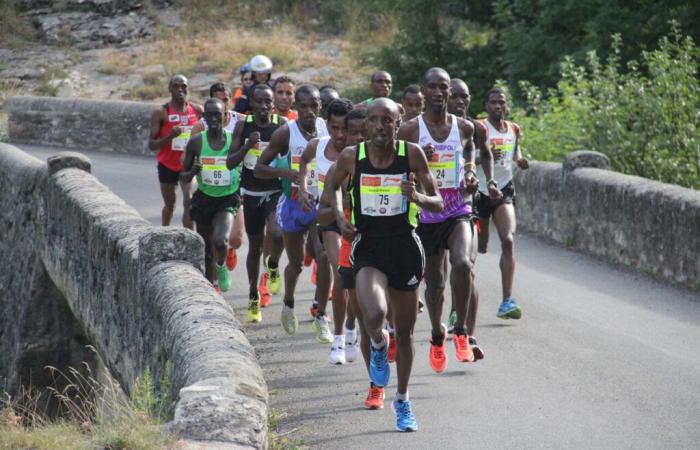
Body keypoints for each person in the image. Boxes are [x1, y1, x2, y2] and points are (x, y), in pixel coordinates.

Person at [329, 98, 443, 432]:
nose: (380, 126)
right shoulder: (353, 156)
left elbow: (436, 202)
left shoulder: (412, 154)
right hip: (369, 247)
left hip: (405, 247)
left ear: (398, 122)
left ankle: (403, 400)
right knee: (373, 314)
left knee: (405, 333)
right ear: (365, 125)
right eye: (374, 120)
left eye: (387, 120)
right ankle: (378, 345)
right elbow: (333, 187)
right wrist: (339, 214)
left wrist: (418, 197)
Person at [398, 68, 496, 373]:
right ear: (424, 93)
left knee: (463, 263)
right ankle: (438, 335)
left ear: (449, 93)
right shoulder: (410, 130)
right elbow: (395, 166)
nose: (439, 93)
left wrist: (469, 174)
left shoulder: (464, 127)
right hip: (426, 212)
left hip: (457, 207)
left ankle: (462, 331)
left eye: (444, 88)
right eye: (433, 88)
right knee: (436, 284)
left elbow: (469, 155)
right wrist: (416, 158)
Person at [254, 85, 332, 342]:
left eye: (314, 105)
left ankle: (321, 315)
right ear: (296, 108)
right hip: (294, 205)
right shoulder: (285, 133)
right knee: (296, 264)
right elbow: (259, 168)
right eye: (304, 106)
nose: (309, 111)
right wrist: (285, 173)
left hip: (319, 204)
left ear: (320, 106)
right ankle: (288, 303)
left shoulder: (327, 128)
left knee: (323, 255)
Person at [298, 98, 354, 363]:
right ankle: (338, 338)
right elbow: (305, 162)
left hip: (358, 219)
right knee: (339, 270)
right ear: (326, 124)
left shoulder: (359, 151)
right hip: (328, 218)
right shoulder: (317, 146)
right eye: (334, 128)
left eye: (344, 128)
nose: (340, 135)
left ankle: (354, 328)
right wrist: (304, 189)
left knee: (356, 275)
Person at [228, 84, 286, 322]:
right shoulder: (243, 125)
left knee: (278, 233)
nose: (264, 106)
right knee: (255, 246)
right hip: (251, 192)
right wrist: (246, 146)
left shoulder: (281, 125)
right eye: (259, 101)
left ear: (273, 104)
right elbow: (230, 163)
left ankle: (273, 266)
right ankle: (253, 296)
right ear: (251, 104)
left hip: (274, 190)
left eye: (268, 101)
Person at [475, 88, 529, 319]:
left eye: (502, 103)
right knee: (480, 247)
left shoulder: (514, 128)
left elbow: (515, 153)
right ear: (486, 106)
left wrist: (521, 161)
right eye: (493, 102)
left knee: (508, 239)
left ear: (506, 106)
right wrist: (485, 156)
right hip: (479, 191)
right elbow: (466, 155)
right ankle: (460, 300)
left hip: (504, 190)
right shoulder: (479, 128)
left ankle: (507, 300)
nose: (498, 106)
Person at [445, 78, 488, 358]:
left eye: (465, 96)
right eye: (455, 96)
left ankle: (468, 335)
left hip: (467, 206)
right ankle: (448, 318)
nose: (461, 101)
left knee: (467, 266)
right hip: (432, 211)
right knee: (436, 276)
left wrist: (480, 175)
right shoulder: (432, 128)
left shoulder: (474, 127)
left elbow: (483, 155)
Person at [179, 98, 241, 293]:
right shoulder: (197, 142)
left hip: (227, 198)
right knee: (206, 250)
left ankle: (221, 266)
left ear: (225, 116)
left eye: (218, 114)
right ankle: (210, 288)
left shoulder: (233, 140)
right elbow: (183, 175)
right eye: (209, 114)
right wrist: (192, 172)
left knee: (221, 241)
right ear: (204, 117)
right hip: (204, 198)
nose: (214, 118)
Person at [190, 83, 246, 274]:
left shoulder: (241, 123)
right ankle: (213, 278)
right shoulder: (199, 130)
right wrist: (191, 175)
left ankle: (226, 253)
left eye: (225, 100)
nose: (221, 104)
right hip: (206, 193)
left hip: (231, 192)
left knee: (236, 239)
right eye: (216, 100)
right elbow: (187, 164)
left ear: (229, 102)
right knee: (210, 243)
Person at [148, 74, 202, 229]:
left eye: (183, 86)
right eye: (176, 86)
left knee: (189, 200)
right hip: (167, 165)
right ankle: (164, 232)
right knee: (170, 205)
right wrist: (169, 136)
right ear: (169, 89)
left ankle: (190, 239)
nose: (180, 90)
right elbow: (152, 144)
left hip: (188, 164)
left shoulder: (197, 110)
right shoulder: (161, 112)